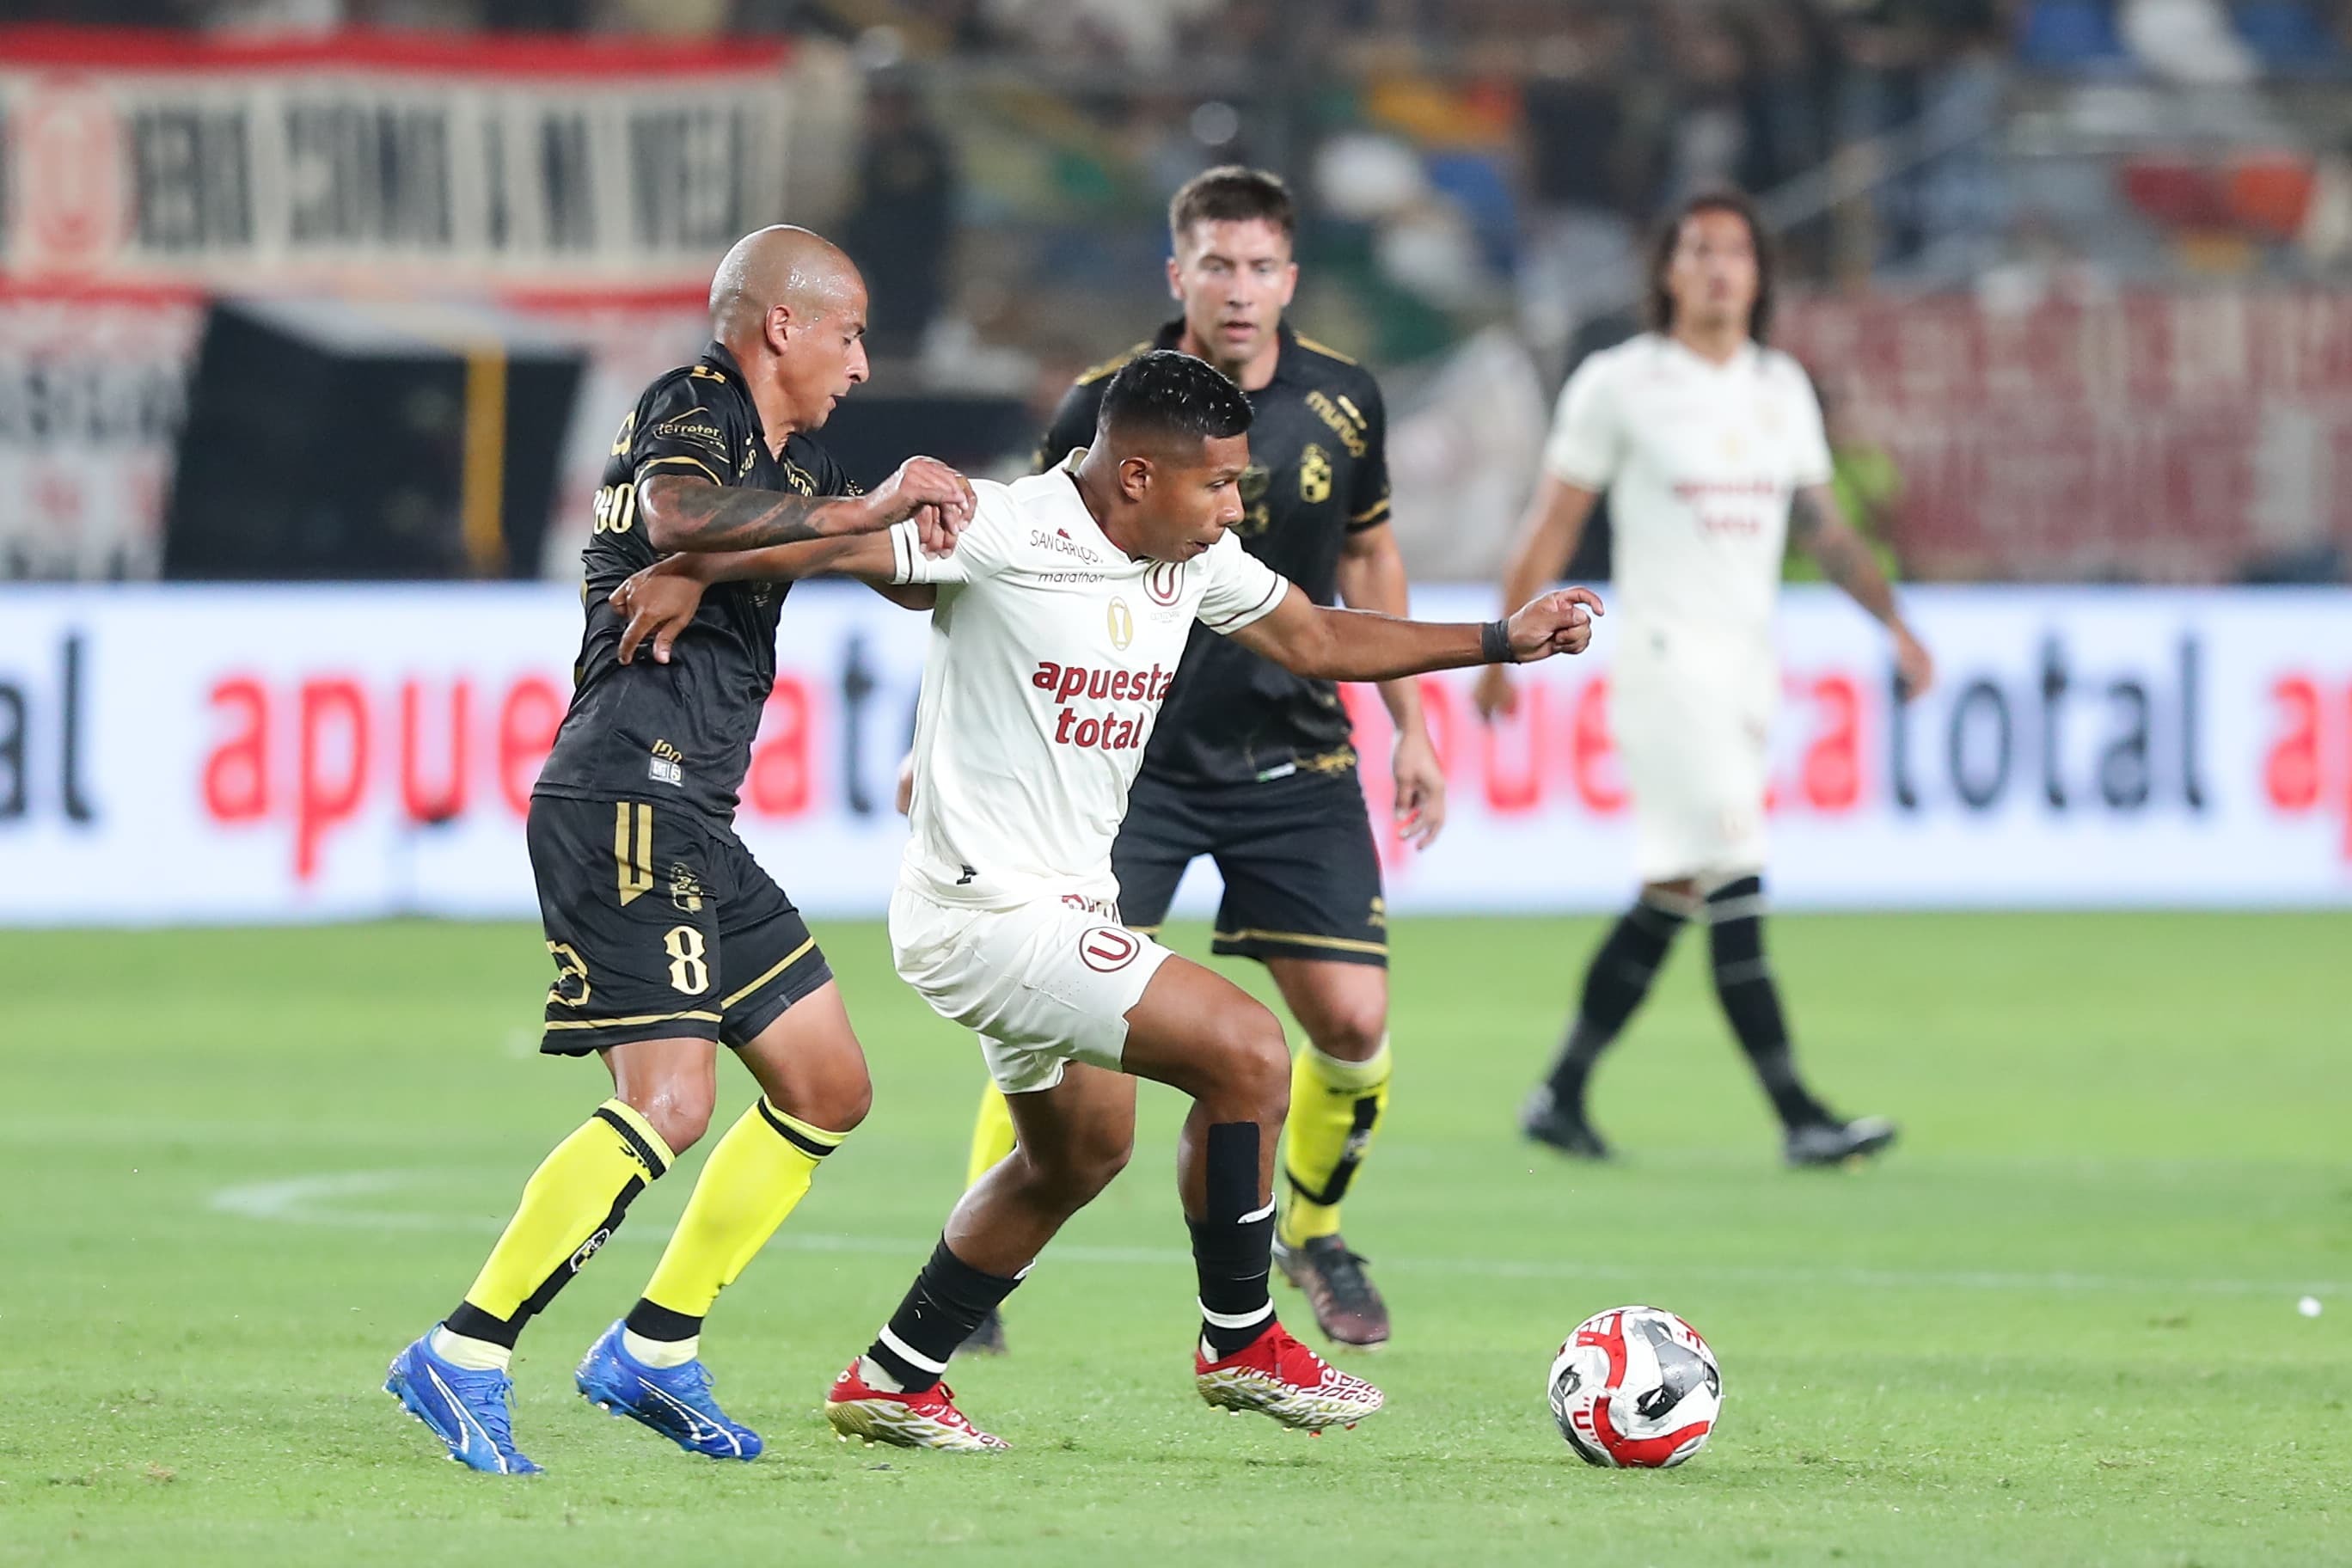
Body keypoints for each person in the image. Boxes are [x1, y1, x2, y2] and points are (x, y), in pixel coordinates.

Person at [610, 349, 1601, 1450]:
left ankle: (895, 1378)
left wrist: (1502, 638)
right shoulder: (1002, 527)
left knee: (1078, 1155)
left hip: (1071, 908)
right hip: (983, 916)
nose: (1235, 508)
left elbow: (1318, 636)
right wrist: (693, 569)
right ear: (1136, 476)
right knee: (1249, 1052)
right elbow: (834, 543)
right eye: (1217, 484)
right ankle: (1241, 1341)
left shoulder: (1194, 559)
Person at [383, 225, 975, 1475]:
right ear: (780, 326)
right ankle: (464, 1349)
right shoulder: (695, 401)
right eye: (849, 334)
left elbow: (889, 568)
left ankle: (653, 1348)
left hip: (693, 815)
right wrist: (826, 520)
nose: (862, 365)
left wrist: (983, 534)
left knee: (827, 1087)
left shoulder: (799, 462)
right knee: (670, 1103)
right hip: (624, 794)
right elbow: (675, 510)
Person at [953, 165, 1444, 1354]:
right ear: (1178, 273)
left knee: (1352, 1022)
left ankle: (1313, 1231)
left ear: (1291, 279)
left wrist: (1415, 725)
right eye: (1217, 265)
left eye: (1261, 266)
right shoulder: (1105, 402)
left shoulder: (1345, 399)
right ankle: (978, 1277)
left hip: (1293, 749)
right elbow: (1020, 572)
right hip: (1136, 763)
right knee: (1050, 1006)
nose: (1239, 289)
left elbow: (1368, 562)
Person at [1475, 190, 1933, 1168]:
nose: (1719, 267)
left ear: (1759, 275)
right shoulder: (1620, 382)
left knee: (1674, 889)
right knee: (1736, 872)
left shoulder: (1780, 387)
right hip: (1665, 665)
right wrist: (1500, 647)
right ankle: (1800, 1115)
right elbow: (1553, 521)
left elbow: (1824, 526)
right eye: (1698, 250)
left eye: (1736, 251)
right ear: (1668, 272)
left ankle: (1560, 1094)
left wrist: (1895, 624)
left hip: (1749, 672)